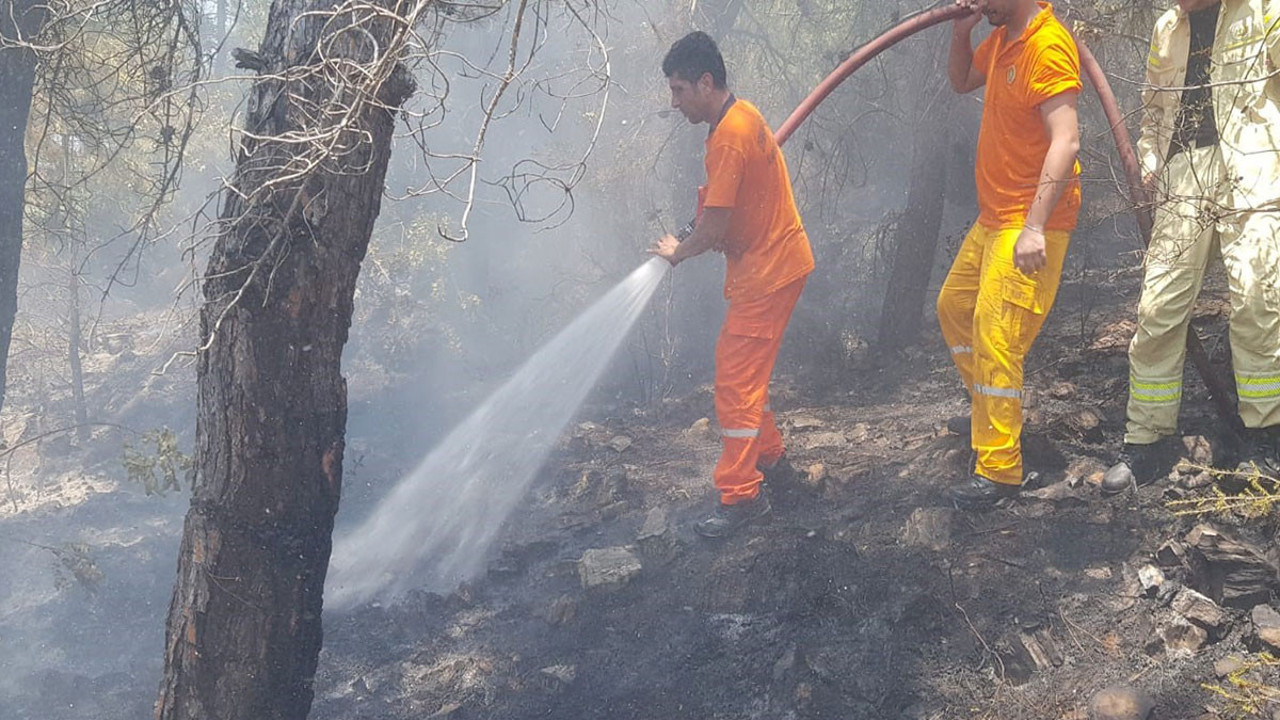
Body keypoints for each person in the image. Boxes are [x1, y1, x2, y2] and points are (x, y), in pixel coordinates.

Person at [1101, 0, 1280, 494]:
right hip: (1185, 175)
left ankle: (1266, 439)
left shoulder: (1262, 9)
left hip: (1255, 170)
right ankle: (1147, 441)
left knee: (1256, 302)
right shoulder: (1167, 27)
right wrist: (1153, 157)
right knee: (1158, 306)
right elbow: (1154, 110)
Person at [649, 31, 814, 538]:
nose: (674, 102)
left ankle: (741, 497)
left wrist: (680, 251)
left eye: (679, 91)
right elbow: (727, 208)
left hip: (766, 273)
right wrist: (701, 229)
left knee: (735, 384)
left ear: (705, 82)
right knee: (748, 378)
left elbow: (717, 226)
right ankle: (773, 466)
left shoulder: (729, 136)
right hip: (774, 264)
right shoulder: (743, 117)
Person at [939, 0, 1082, 509]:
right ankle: (988, 408)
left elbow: (1065, 140)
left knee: (995, 331)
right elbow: (960, 82)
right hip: (994, 217)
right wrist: (961, 33)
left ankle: (999, 471)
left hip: (1028, 221)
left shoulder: (1047, 44)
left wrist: (1035, 227)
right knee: (954, 308)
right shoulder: (1002, 38)